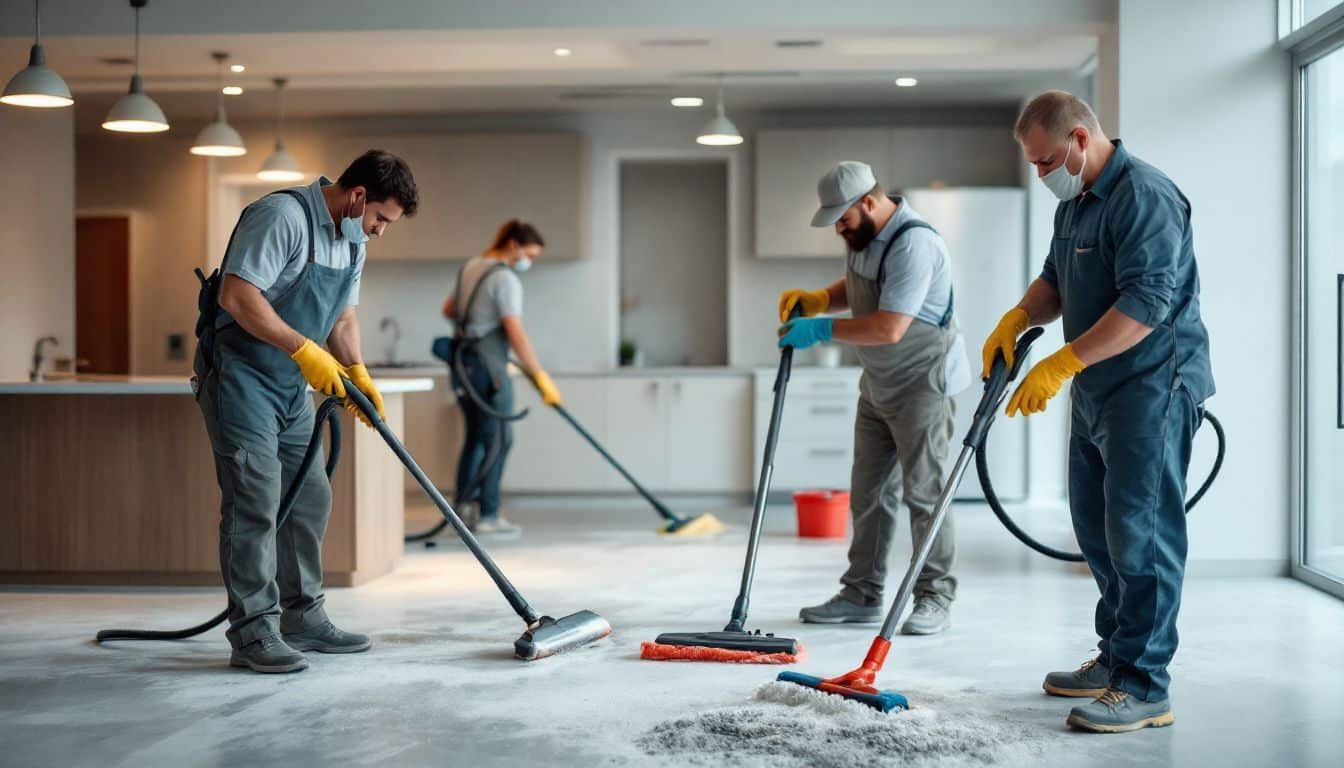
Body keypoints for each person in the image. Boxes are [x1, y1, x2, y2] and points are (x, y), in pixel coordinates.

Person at [985, 91, 1214, 733]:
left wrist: (1060, 364)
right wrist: (1020, 316)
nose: (1041, 174)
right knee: (1097, 531)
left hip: (1151, 387)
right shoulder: (1078, 201)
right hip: (1096, 387)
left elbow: (1146, 304)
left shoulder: (1146, 195)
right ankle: (1117, 659)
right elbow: (1055, 278)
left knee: (1142, 536)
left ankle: (1145, 686)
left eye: (1046, 160)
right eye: (1033, 163)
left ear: (1082, 139)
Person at [193, 150, 418, 674]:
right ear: (358, 195)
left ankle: (303, 618)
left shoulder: (351, 241)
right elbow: (237, 296)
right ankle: (253, 634)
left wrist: (357, 370)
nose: (381, 231)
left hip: (292, 385)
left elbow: (342, 314)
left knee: (310, 494)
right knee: (255, 499)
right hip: (242, 376)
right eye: (381, 219)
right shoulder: (283, 217)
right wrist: (304, 350)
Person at [779, 161, 971, 636]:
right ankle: (861, 594)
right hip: (879, 384)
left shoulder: (915, 243)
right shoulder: (865, 237)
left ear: (869, 202)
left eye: (842, 218)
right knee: (867, 493)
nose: (838, 229)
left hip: (923, 385)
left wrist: (822, 328)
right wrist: (823, 298)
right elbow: (864, 286)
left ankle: (935, 597)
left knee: (924, 495)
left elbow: (889, 326)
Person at [440, 219, 563, 537]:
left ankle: (464, 511)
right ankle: (490, 515)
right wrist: (539, 375)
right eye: (530, 255)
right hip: (488, 370)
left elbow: (449, 309)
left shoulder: (472, 266)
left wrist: (477, 320)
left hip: (463, 365)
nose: (529, 262)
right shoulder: (505, 279)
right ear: (513, 244)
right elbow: (515, 331)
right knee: (499, 440)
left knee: (476, 438)